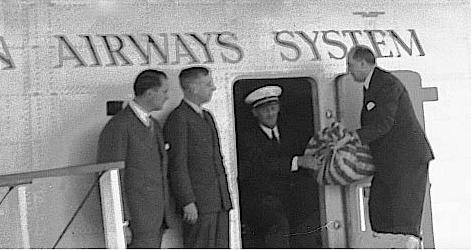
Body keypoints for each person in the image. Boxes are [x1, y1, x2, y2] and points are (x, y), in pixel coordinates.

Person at [346, 45, 434, 249]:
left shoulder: (387, 84)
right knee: (380, 214)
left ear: (363, 63)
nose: (348, 72)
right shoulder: (371, 85)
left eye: (350, 66)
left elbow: (384, 123)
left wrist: (352, 138)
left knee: (403, 220)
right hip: (390, 163)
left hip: (407, 160)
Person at [96, 69, 174, 248]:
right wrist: (121, 222)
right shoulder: (118, 126)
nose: (167, 97)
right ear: (149, 93)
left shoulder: (153, 124)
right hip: (136, 223)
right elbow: (110, 178)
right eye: (164, 91)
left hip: (155, 220)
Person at [237, 85, 321, 248]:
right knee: (278, 227)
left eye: (273, 108)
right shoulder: (247, 139)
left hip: (291, 195)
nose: (270, 113)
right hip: (263, 199)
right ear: (255, 113)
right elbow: (261, 165)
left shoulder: (290, 132)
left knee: (308, 223)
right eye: (264, 110)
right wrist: (298, 161)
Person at [165, 67, 233, 248]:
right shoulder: (179, 118)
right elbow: (177, 164)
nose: (214, 88)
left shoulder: (207, 116)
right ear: (193, 87)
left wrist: (224, 198)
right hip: (199, 204)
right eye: (208, 84)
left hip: (218, 201)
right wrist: (187, 201)